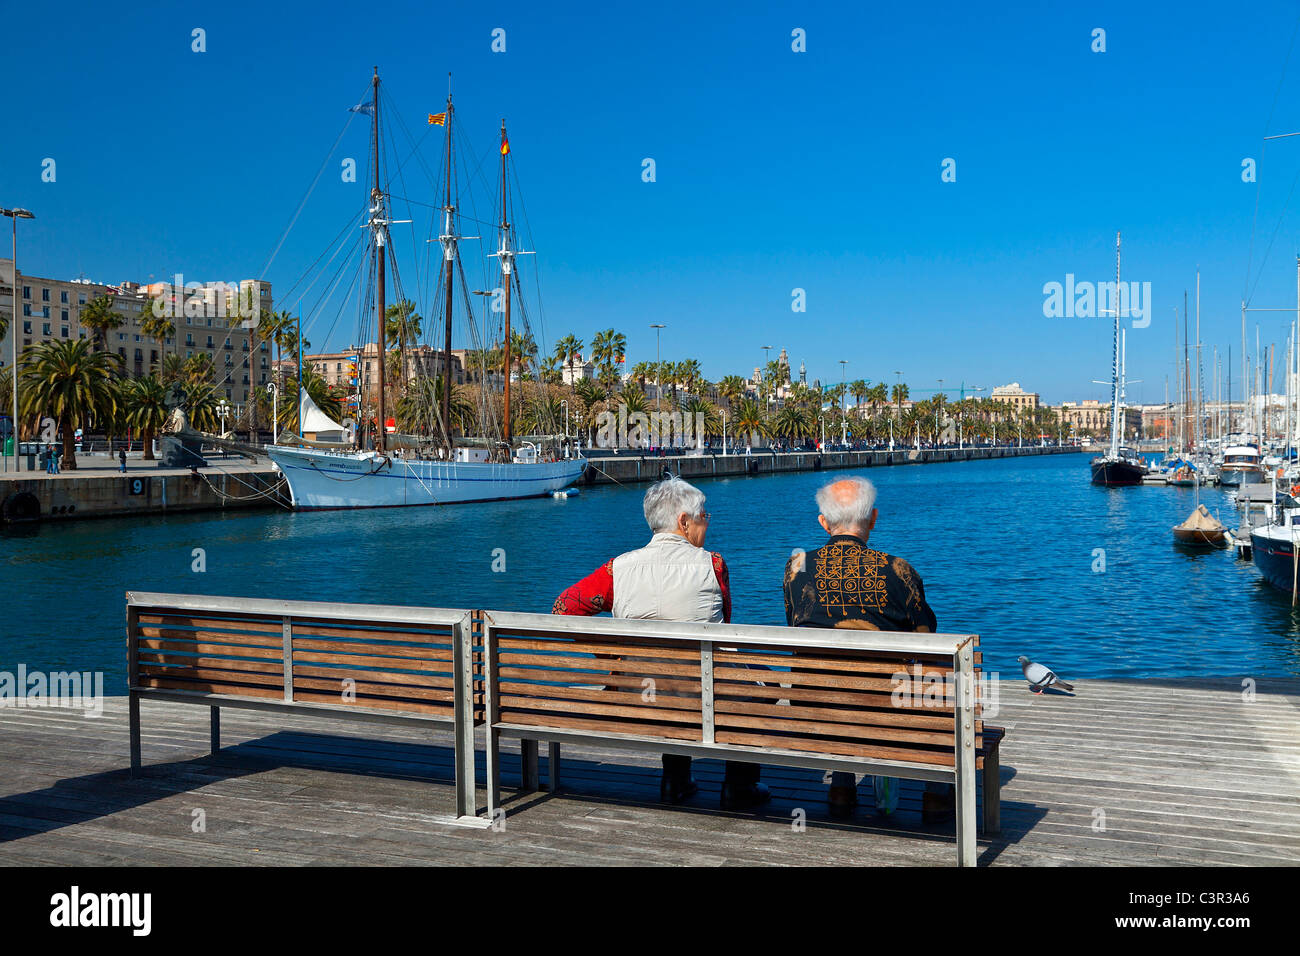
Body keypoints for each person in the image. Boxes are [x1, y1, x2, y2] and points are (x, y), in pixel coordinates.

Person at [552, 476, 770, 810]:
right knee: (761, 682)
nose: (706, 523)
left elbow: (564, 607)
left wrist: (611, 655)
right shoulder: (713, 565)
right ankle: (738, 786)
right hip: (704, 691)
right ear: (684, 521)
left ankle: (675, 780)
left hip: (636, 693)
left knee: (671, 679)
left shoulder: (618, 568)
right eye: (703, 516)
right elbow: (725, 627)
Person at [782, 476, 951, 822]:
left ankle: (842, 787)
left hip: (816, 701)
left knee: (832, 676)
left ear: (824, 522)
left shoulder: (795, 568)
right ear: (873, 518)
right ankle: (935, 794)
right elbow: (927, 635)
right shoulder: (899, 570)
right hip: (888, 703)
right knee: (941, 678)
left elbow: (794, 625)